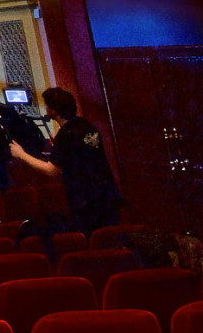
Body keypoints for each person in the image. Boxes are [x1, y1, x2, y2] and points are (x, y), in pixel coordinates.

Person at [8, 87, 124, 232]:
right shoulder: (85, 125)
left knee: (91, 242)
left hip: (87, 202)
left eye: (46, 104)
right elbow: (80, 154)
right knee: (107, 240)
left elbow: (52, 171)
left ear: (54, 110)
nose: (45, 107)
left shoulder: (66, 135)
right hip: (107, 195)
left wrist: (21, 154)